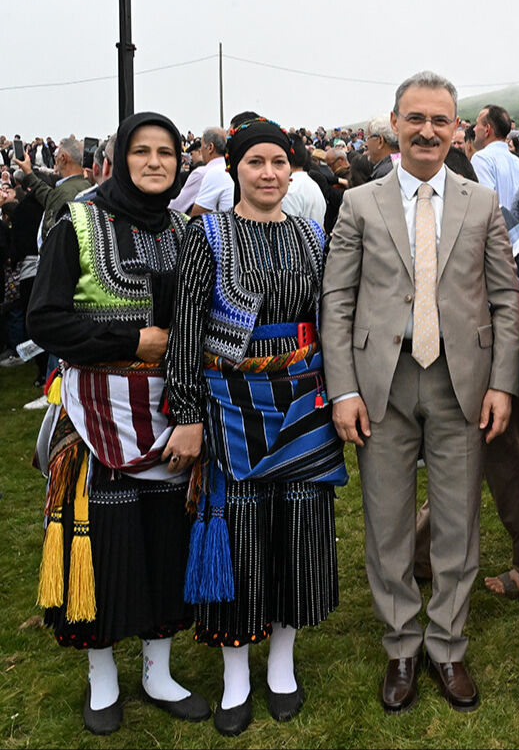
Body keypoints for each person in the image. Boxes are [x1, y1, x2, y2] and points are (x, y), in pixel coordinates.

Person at [321, 71, 519, 715]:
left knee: (458, 523)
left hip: (461, 382)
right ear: (394, 123)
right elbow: (337, 301)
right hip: (381, 381)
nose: (428, 131)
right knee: (386, 523)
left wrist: (502, 383)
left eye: (440, 120)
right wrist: (343, 389)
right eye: (416, 119)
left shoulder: (482, 202)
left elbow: (505, 300)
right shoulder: (359, 204)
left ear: (457, 128)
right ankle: (402, 644)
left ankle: (447, 645)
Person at [166, 117, 348, 736]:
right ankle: (236, 673)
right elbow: (187, 330)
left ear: (292, 170)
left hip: (303, 397)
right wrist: (188, 414)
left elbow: (331, 316)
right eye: (255, 162)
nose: (269, 173)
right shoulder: (207, 235)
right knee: (238, 531)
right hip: (229, 401)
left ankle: (282, 664)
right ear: (234, 168)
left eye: (278, 162)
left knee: (298, 525)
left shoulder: (310, 234)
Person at [27, 112, 206, 735]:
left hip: (173, 411)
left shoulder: (185, 230)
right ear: (119, 158)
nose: (155, 162)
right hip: (96, 415)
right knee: (102, 543)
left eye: (167, 152)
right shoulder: (76, 224)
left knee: (164, 541)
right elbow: (45, 320)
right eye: (142, 151)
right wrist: (131, 340)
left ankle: (159, 670)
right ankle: (101, 675)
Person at [471, 105, 519, 210]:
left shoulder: (481, 159)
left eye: (477, 124)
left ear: (487, 129)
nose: (474, 129)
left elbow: (484, 207)